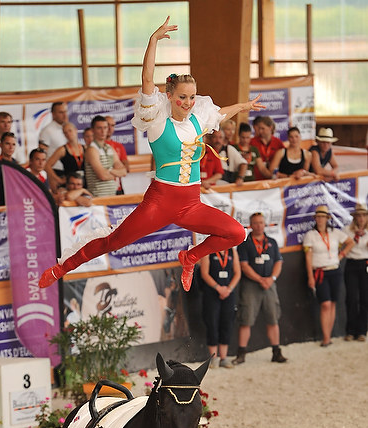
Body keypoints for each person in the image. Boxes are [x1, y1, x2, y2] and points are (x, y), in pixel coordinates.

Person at [39, 17, 265, 292]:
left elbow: (221, 113)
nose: (188, 102)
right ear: (169, 96)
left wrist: (245, 106)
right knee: (114, 241)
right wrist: (153, 40)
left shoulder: (199, 119)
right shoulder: (157, 120)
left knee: (236, 233)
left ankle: (190, 257)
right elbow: (147, 79)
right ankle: (62, 267)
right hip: (159, 202)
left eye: (192, 97)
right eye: (182, 97)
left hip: (191, 203)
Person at [233, 212, 287, 364]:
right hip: (251, 285)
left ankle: (276, 352)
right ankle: (241, 353)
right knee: (246, 319)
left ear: (265, 224)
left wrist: (272, 279)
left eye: (261, 223)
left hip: (270, 284)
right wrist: (259, 279)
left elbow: (278, 262)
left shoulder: (272, 242)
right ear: (251, 225)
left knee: (273, 318)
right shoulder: (245, 243)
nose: (259, 226)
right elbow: (244, 265)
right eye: (255, 223)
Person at [303, 204, 354, 347]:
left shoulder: (335, 233)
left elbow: (350, 242)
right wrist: (310, 276)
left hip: (335, 270)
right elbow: (308, 257)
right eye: (318, 217)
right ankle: (325, 337)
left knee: (332, 303)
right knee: (325, 304)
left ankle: (329, 336)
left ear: (327, 218)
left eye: (323, 217)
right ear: (315, 219)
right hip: (320, 271)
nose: (320, 219)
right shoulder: (310, 235)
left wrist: (341, 255)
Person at [200, 247, 241, 368]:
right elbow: (204, 273)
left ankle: (224, 357)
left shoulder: (232, 251)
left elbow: (237, 273)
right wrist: (218, 288)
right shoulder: (208, 250)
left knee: (227, 323)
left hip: (228, 293)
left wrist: (229, 289)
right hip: (212, 293)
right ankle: (213, 358)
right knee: (212, 323)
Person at [83, 115, 127, 198]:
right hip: (98, 197)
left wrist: (109, 171)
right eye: (99, 128)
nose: (103, 131)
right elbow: (102, 176)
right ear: (92, 130)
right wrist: (115, 174)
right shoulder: (92, 149)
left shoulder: (109, 148)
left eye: (105, 128)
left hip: (112, 196)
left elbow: (124, 171)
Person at [342, 203, 368, 342]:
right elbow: (341, 245)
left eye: (364, 215)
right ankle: (350, 331)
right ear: (355, 218)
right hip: (351, 263)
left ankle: (362, 331)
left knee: (365, 298)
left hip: (366, 263)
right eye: (359, 216)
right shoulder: (347, 230)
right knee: (351, 298)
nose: (362, 218)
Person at [46, 121, 85, 190]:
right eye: (65, 132)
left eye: (70, 131)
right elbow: (47, 166)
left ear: (76, 130)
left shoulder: (85, 148)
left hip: (84, 184)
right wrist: (58, 179)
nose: (68, 134)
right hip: (70, 186)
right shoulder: (62, 150)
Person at [251, 116, 284, 180]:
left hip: (273, 179)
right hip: (257, 179)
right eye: (259, 128)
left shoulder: (278, 142)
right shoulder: (252, 142)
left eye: (262, 128)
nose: (260, 131)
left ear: (270, 128)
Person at [106, 114, 130, 194]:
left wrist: (111, 169)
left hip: (118, 188)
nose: (110, 128)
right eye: (107, 125)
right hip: (104, 188)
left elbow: (126, 169)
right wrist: (118, 169)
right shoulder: (96, 146)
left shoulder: (119, 146)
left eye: (112, 125)